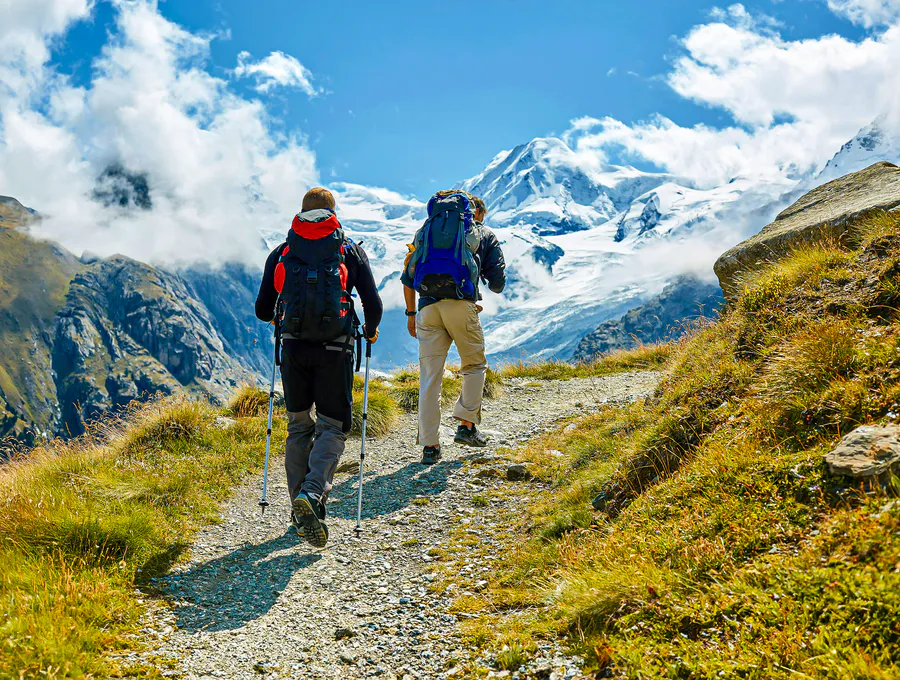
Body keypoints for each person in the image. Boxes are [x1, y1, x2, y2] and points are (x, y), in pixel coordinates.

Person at [255, 187, 382, 548]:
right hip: (335, 350)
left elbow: (263, 310)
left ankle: (301, 507)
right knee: (332, 426)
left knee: (298, 426)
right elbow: (373, 304)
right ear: (333, 213)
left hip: (293, 349)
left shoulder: (283, 252)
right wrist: (370, 332)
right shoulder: (348, 250)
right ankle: (312, 495)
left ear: (301, 213)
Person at [401, 192, 506, 465]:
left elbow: (407, 275)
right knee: (473, 364)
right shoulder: (480, 231)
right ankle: (467, 426)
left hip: (426, 308)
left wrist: (412, 313)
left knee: (430, 377)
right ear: (477, 212)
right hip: (460, 305)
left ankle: (429, 446)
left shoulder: (425, 231)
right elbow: (498, 283)